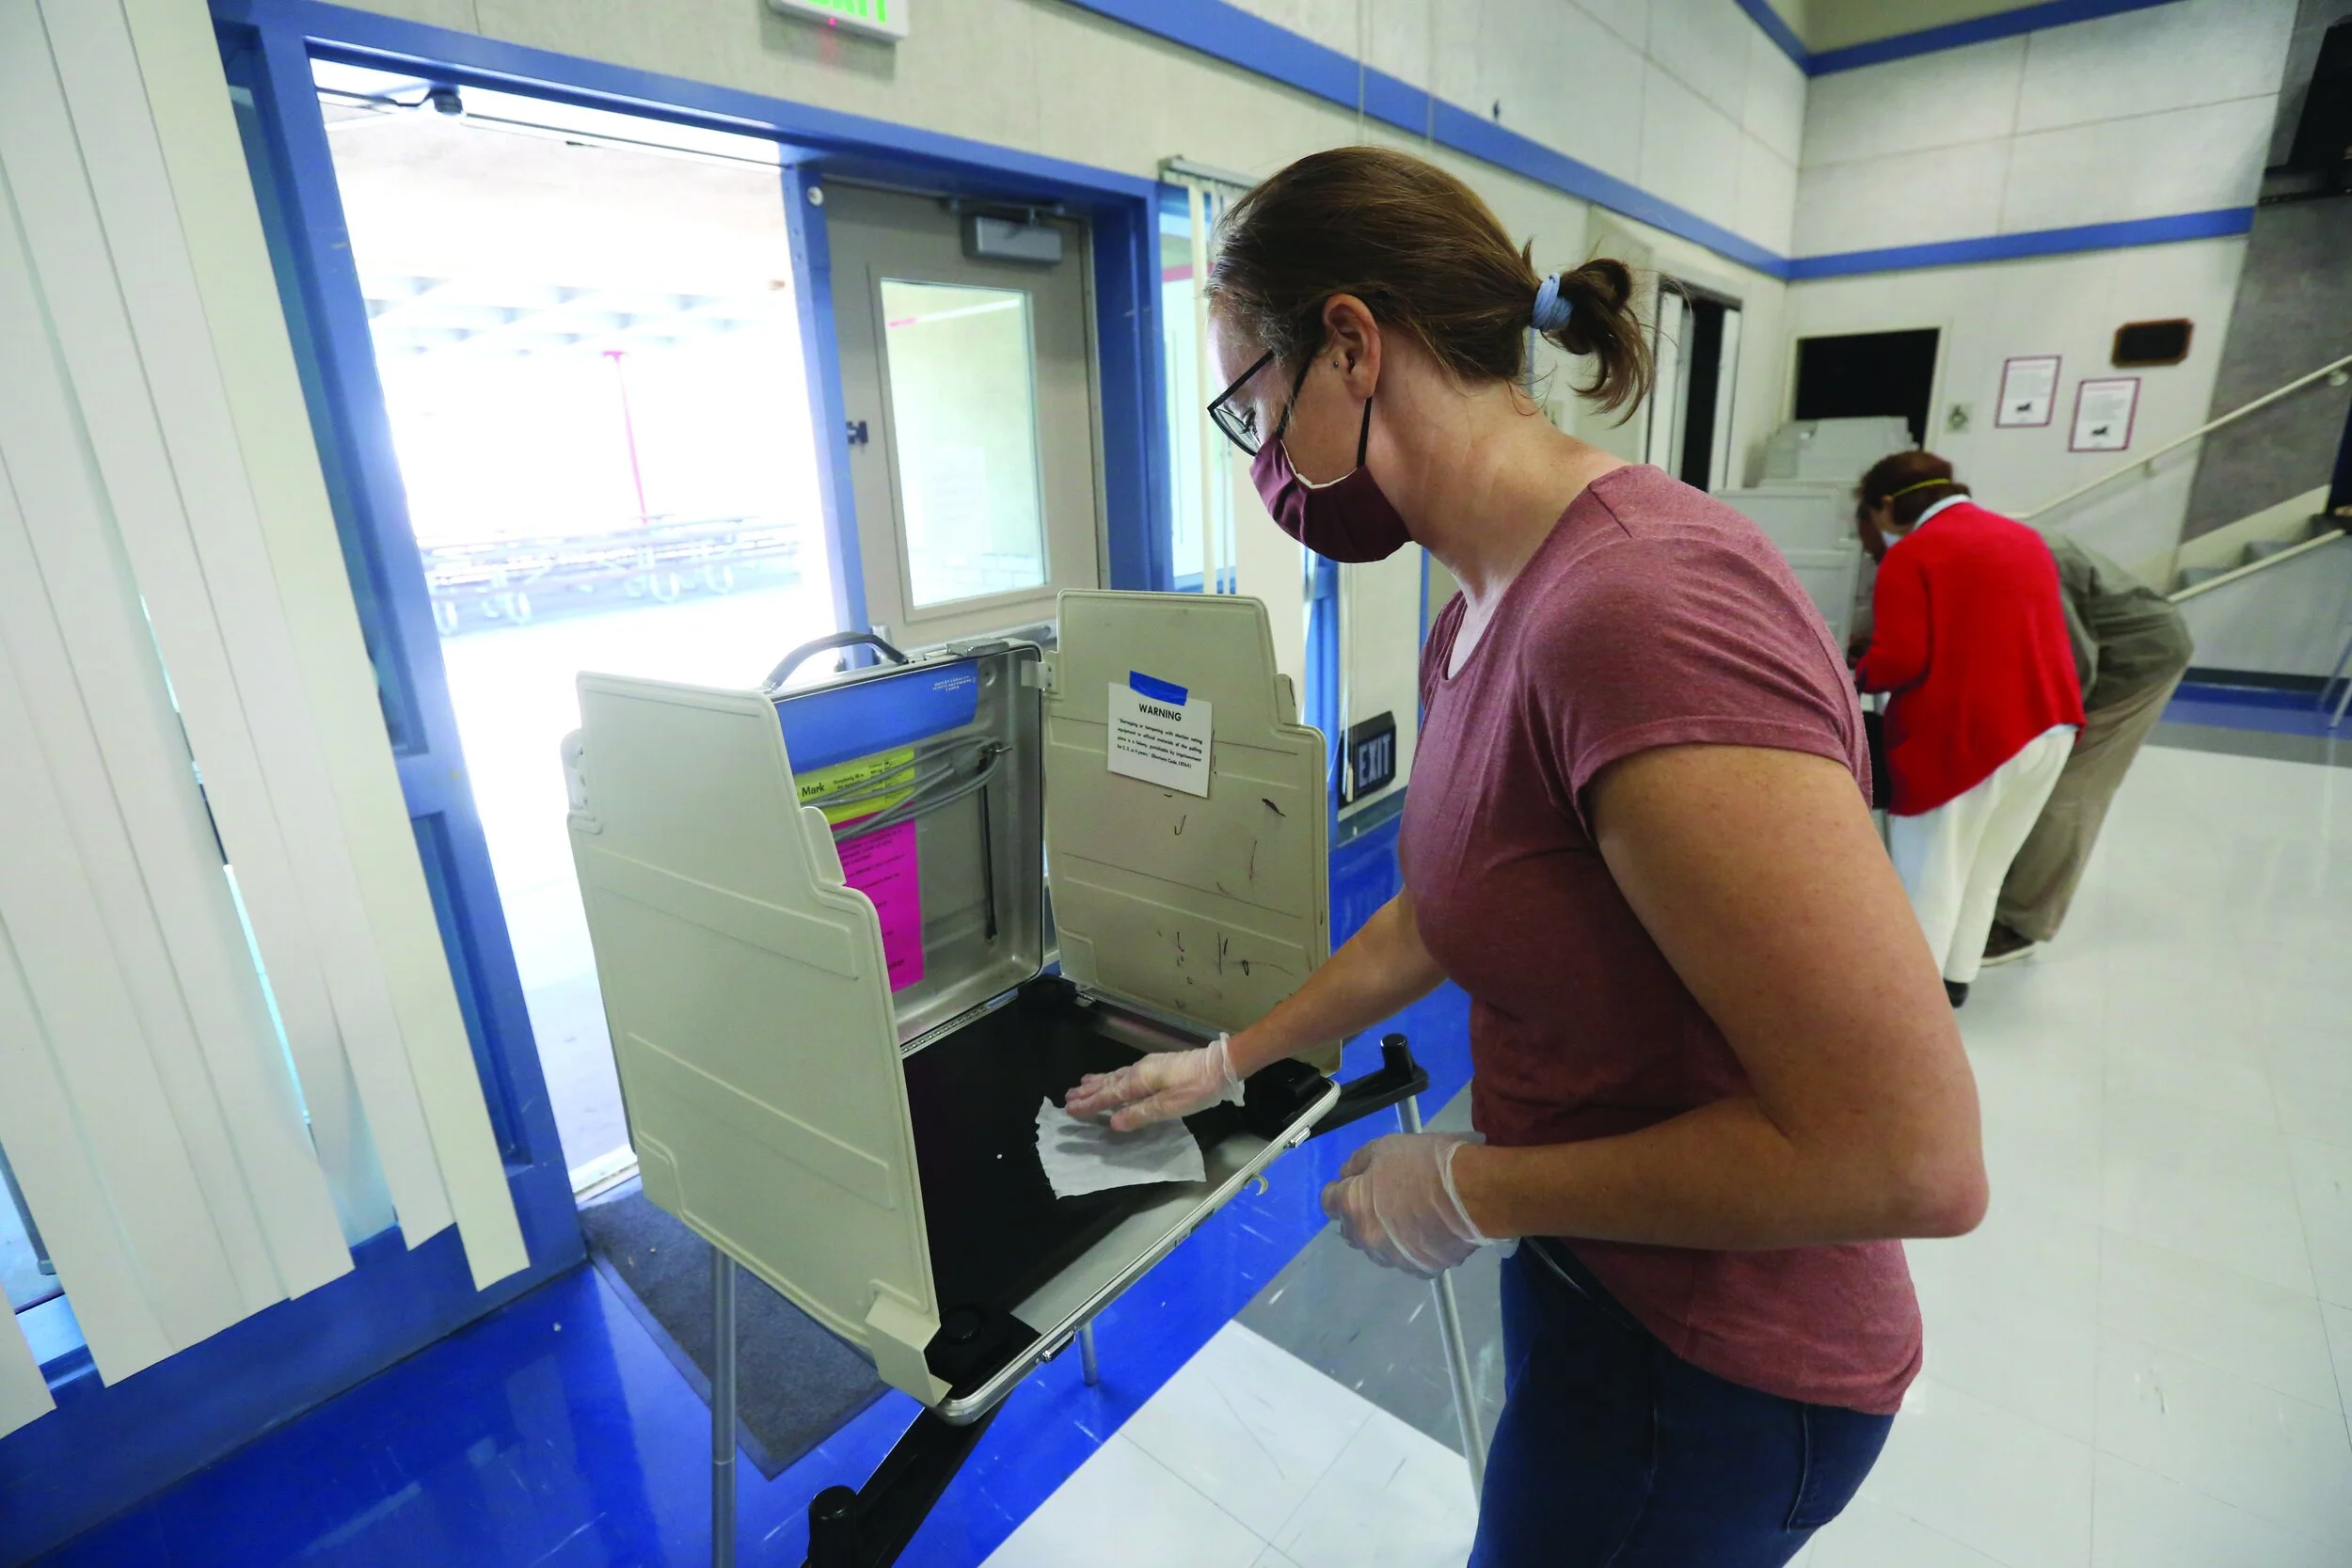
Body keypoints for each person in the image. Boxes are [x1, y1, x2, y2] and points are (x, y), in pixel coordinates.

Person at [1065, 147, 1986, 1568]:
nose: (1262, 465)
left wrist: (1479, 1184)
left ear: (1354, 346)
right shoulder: (1477, 608)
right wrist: (1234, 1057)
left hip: (1718, 1362)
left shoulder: (1637, 608)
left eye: (1252, 404)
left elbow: (1909, 1156)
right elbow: (1448, 907)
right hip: (1597, 1272)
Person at [1851, 452, 2083, 1007]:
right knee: (1985, 866)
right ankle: (1953, 981)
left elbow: (1901, 660)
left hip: (1967, 739)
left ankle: (1910, 1014)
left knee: (1930, 874)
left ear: (1886, 504)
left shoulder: (1914, 554)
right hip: (2048, 728)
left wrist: (1848, 668)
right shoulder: (2021, 538)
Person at [1982, 537, 2193, 962]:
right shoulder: (1986, 542)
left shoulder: (2026, 560)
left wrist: (2054, 733)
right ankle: (2011, 887)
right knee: (2045, 777)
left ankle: (2021, 925)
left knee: (2071, 790)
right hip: (2112, 649)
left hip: (2137, 662)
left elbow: (2074, 663)